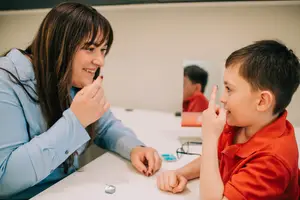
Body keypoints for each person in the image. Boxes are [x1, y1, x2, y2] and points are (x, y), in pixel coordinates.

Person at [0, 2, 161, 199]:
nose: (100, 61)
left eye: (103, 50)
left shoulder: (71, 79)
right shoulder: (6, 80)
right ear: (58, 45)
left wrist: (135, 147)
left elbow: (105, 126)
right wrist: (75, 121)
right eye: (90, 48)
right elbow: (5, 179)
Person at [157, 40, 300, 199]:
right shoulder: (239, 123)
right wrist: (180, 173)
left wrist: (210, 137)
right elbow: (218, 159)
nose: (222, 99)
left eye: (229, 89)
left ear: (262, 101)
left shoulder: (273, 161)